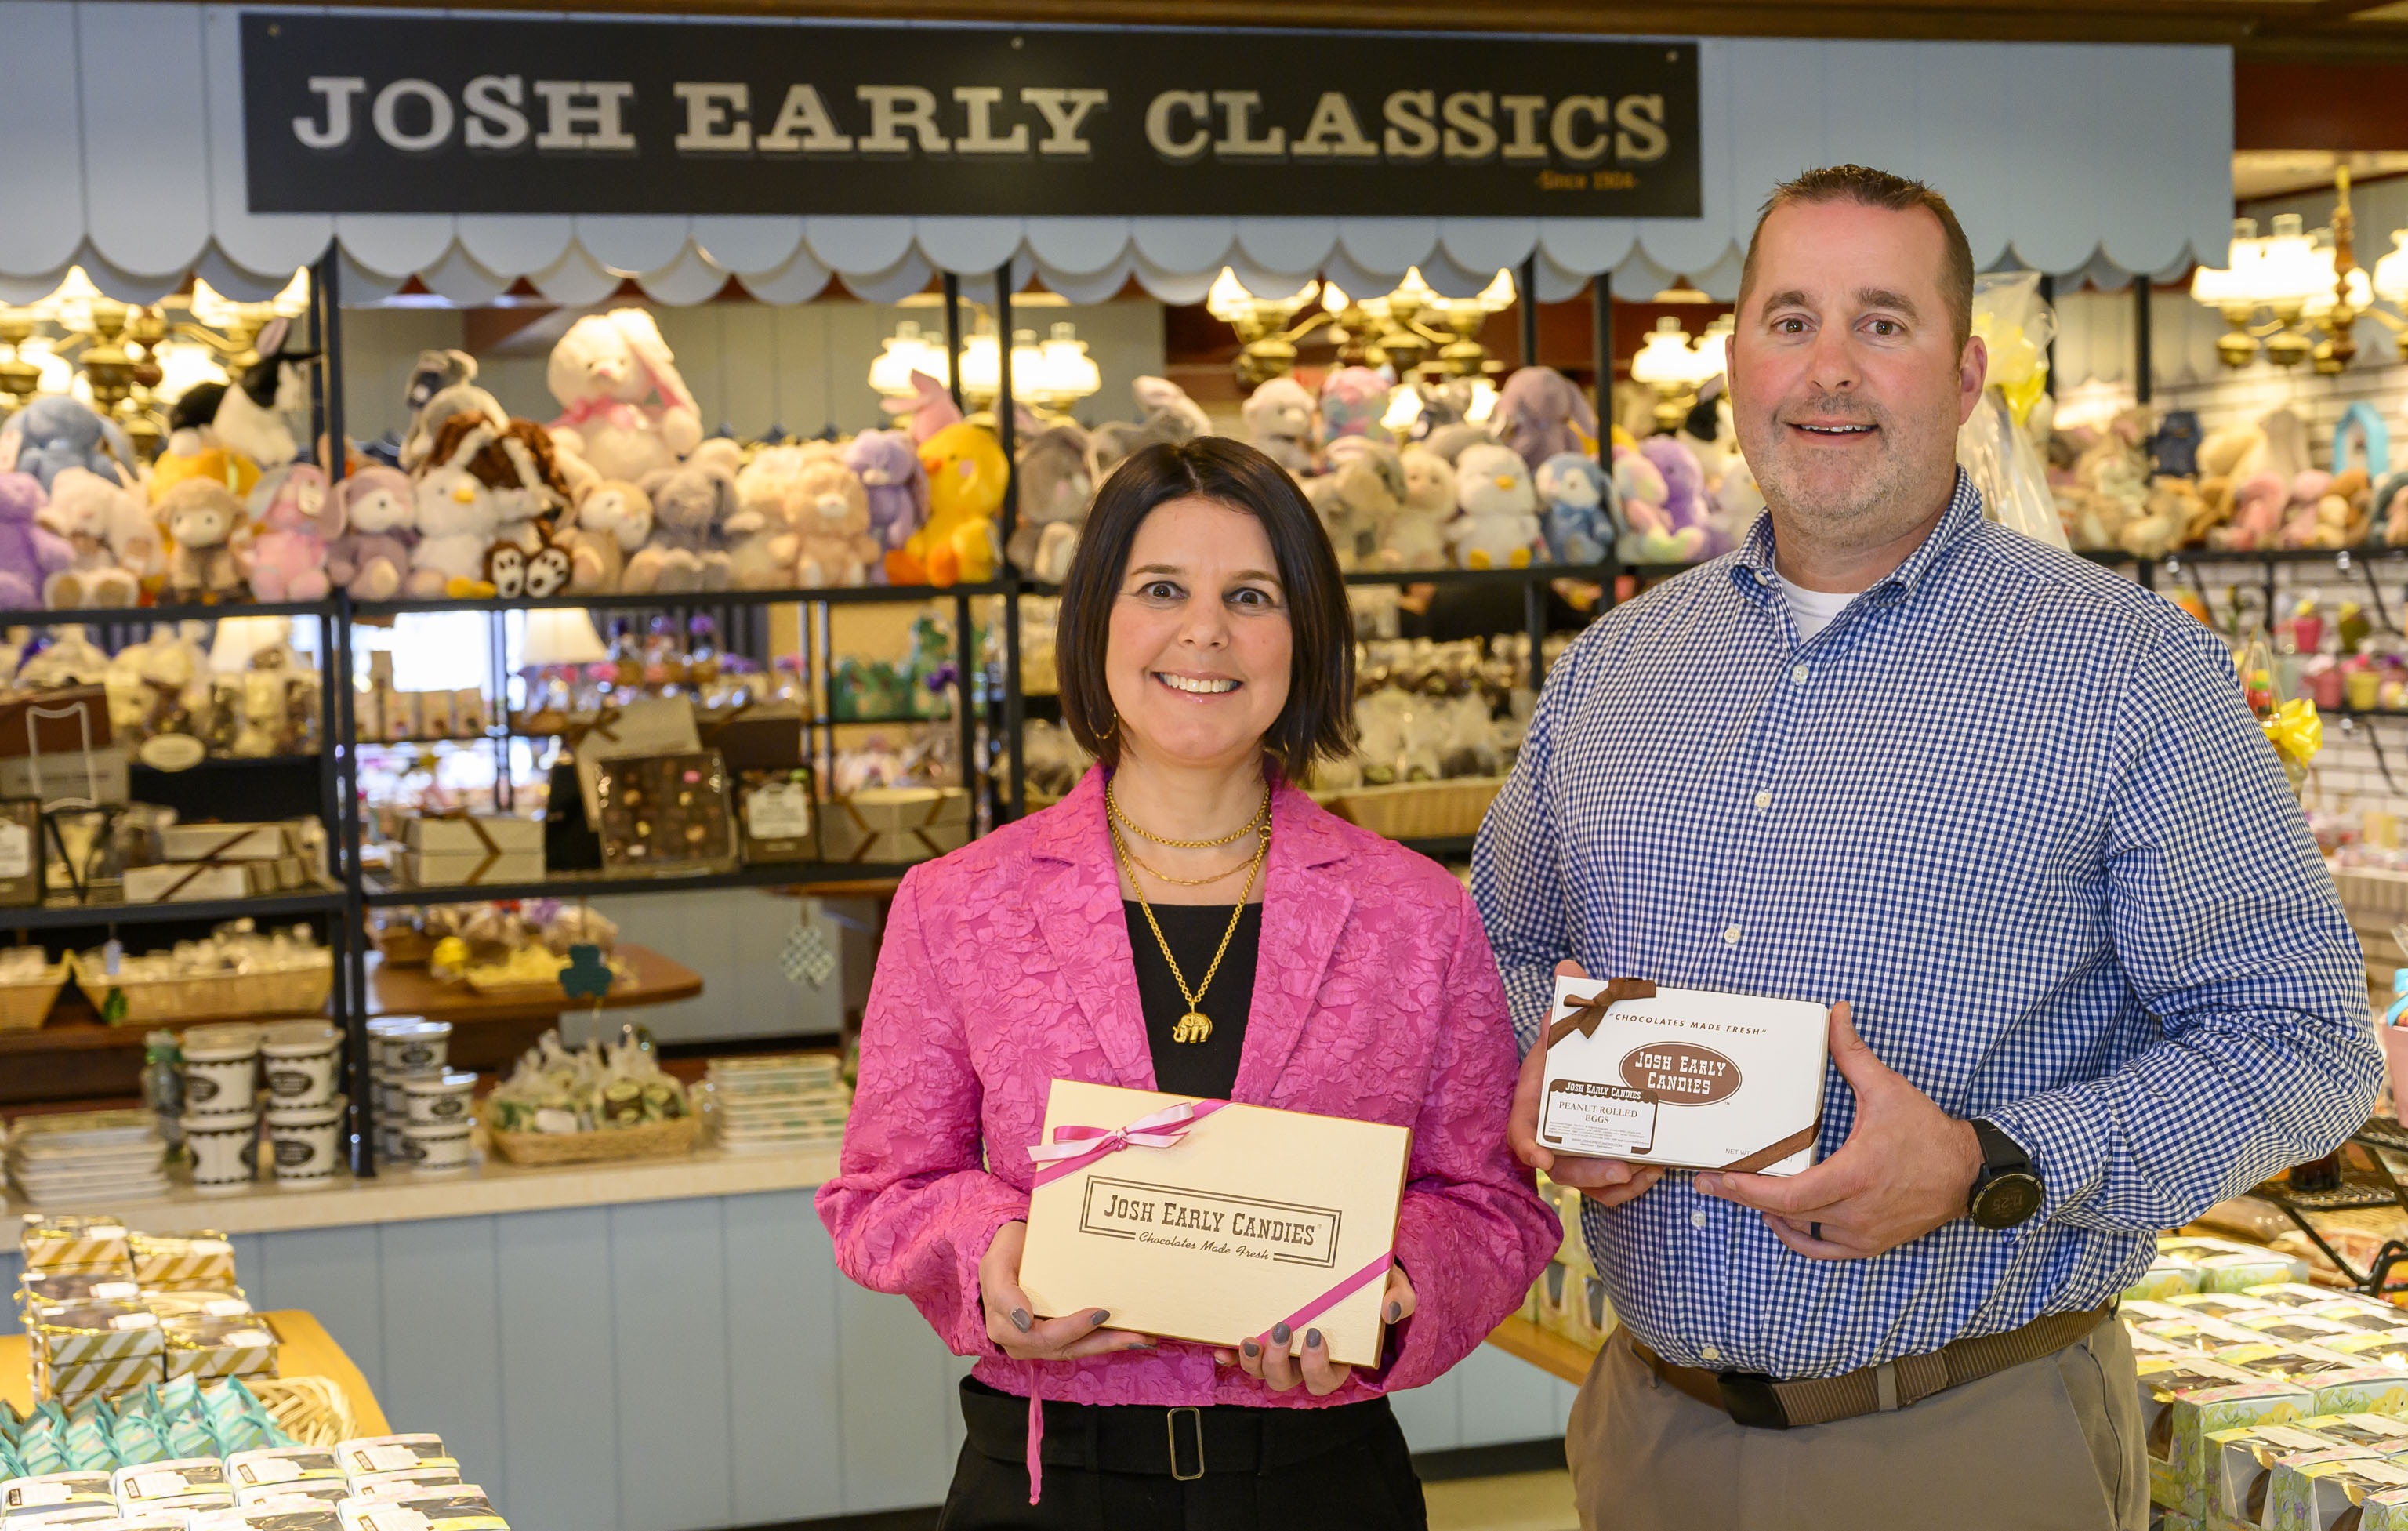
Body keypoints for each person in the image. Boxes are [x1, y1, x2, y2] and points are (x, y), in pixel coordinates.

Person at [1473, 164, 2381, 1531]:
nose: (1827, 371)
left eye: (1882, 322)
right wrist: (1537, 1083)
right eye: (1790, 319)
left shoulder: (2129, 672)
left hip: (1970, 1440)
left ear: (1963, 376)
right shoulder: (1618, 668)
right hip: (1648, 1435)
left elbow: (2308, 1045)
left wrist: (1991, 1159)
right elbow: (1486, 960)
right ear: (1734, 363)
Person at [821, 435, 1559, 1530]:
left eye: (1251, 595)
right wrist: (990, 1257)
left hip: (1323, 1480)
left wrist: (1395, 1288)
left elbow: (1493, 1205)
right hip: (1051, 1484)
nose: (1204, 630)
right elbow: (883, 1187)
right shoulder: (957, 903)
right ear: (1097, 624)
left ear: (1304, 638)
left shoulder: (1417, 914)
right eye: (1162, 588)